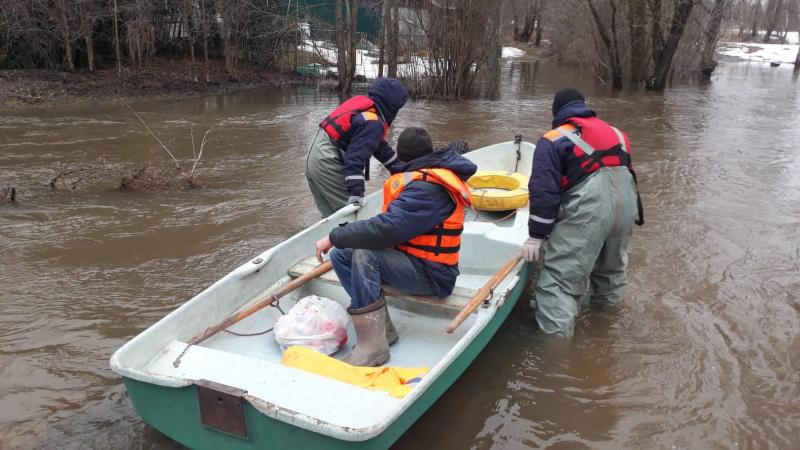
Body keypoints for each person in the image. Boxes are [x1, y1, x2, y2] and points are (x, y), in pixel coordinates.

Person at [314, 127, 477, 366]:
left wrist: (335, 235)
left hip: (432, 276)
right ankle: (382, 331)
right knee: (342, 255)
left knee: (364, 254)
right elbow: (387, 228)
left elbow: (387, 229)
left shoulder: (428, 188)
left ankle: (374, 349)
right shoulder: (423, 178)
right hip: (410, 263)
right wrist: (341, 241)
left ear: (402, 158)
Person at [523, 88, 643, 338]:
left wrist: (537, 235)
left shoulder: (553, 139)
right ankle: (604, 332)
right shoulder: (618, 134)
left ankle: (555, 356)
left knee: (557, 283)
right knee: (610, 274)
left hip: (590, 211)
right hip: (626, 208)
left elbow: (544, 192)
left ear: (557, 112)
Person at [305, 77, 408, 217]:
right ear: (393, 105)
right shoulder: (373, 122)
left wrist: (400, 168)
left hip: (315, 154)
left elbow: (376, 145)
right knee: (351, 214)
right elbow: (355, 159)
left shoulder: (366, 109)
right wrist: (356, 193)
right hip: (327, 161)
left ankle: (326, 236)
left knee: (331, 214)